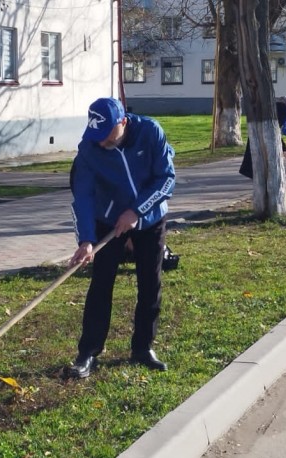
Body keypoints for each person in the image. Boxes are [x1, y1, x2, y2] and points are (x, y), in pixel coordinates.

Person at [67, 97, 176, 379]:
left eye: (106, 135)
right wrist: (86, 240)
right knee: (101, 285)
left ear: (123, 122)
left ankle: (142, 347)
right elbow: (83, 197)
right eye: (96, 135)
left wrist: (137, 211)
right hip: (108, 220)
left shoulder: (151, 132)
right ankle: (88, 352)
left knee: (150, 283)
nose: (101, 142)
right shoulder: (89, 149)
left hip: (150, 218)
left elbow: (166, 178)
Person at [239, 93, 286, 179]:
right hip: (265, 136)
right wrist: (284, 147)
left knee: (255, 158)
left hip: (258, 130)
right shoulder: (283, 109)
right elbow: (276, 129)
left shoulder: (279, 103)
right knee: (263, 163)